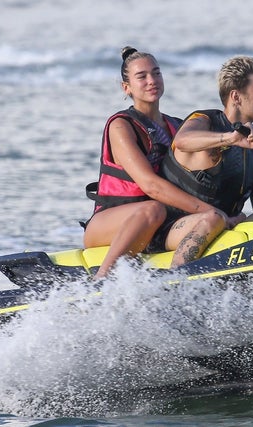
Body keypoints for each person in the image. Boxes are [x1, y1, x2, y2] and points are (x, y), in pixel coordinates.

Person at [83, 47, 241, 278]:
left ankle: (178, 283)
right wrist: (212, 208)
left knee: (212, 219)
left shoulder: (177, 126)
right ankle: (104, 280)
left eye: (156, 73)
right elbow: (151, 186)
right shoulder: (121, 125)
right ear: (126, 88)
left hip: (162, 222)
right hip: (112, 220)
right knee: (153, 208)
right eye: (142, 76)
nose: (151, 80)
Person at [161, 56, 253, 218]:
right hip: (172, 228)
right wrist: (231, 138)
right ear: (235, 97)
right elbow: (182, 141)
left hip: (225, 232)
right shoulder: (205, 121)